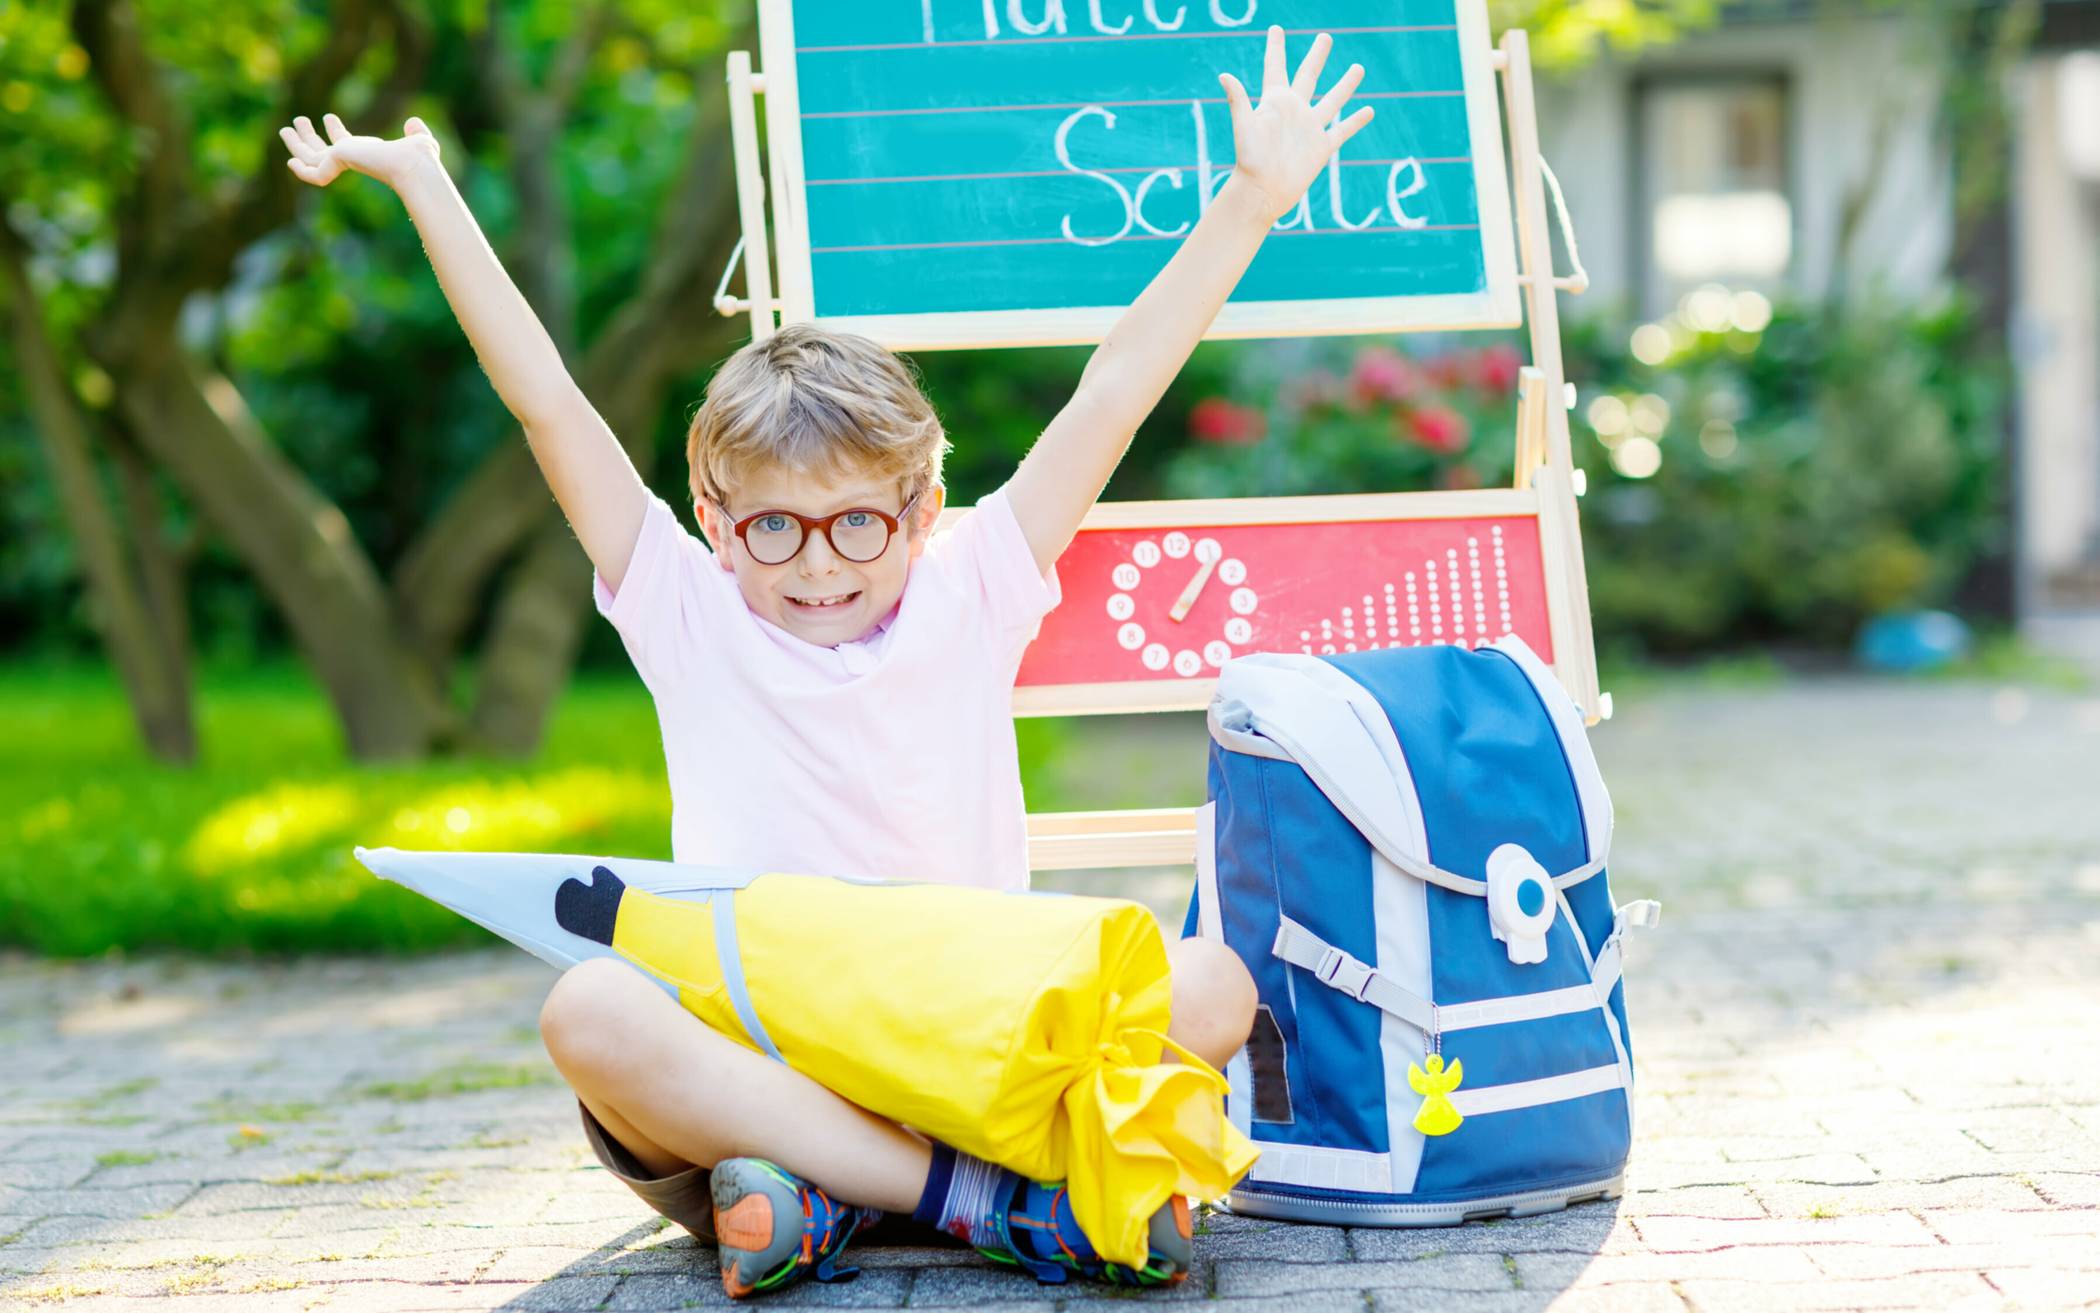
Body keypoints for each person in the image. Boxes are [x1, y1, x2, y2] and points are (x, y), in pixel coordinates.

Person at [280, 25, 1371, 1298]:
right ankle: (982, 1199)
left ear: (921, 507)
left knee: (1208, 987)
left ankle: (818, 1200)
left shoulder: (977, 579)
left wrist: (1251, 200)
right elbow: (549, 404)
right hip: (764, 1048)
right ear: (711, 510)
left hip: (971, 1028)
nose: (816, 562)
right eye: (773, 526)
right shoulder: (686, 607)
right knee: (589, 1013)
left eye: (858, 520)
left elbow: (1118, 385)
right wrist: (428, 186)